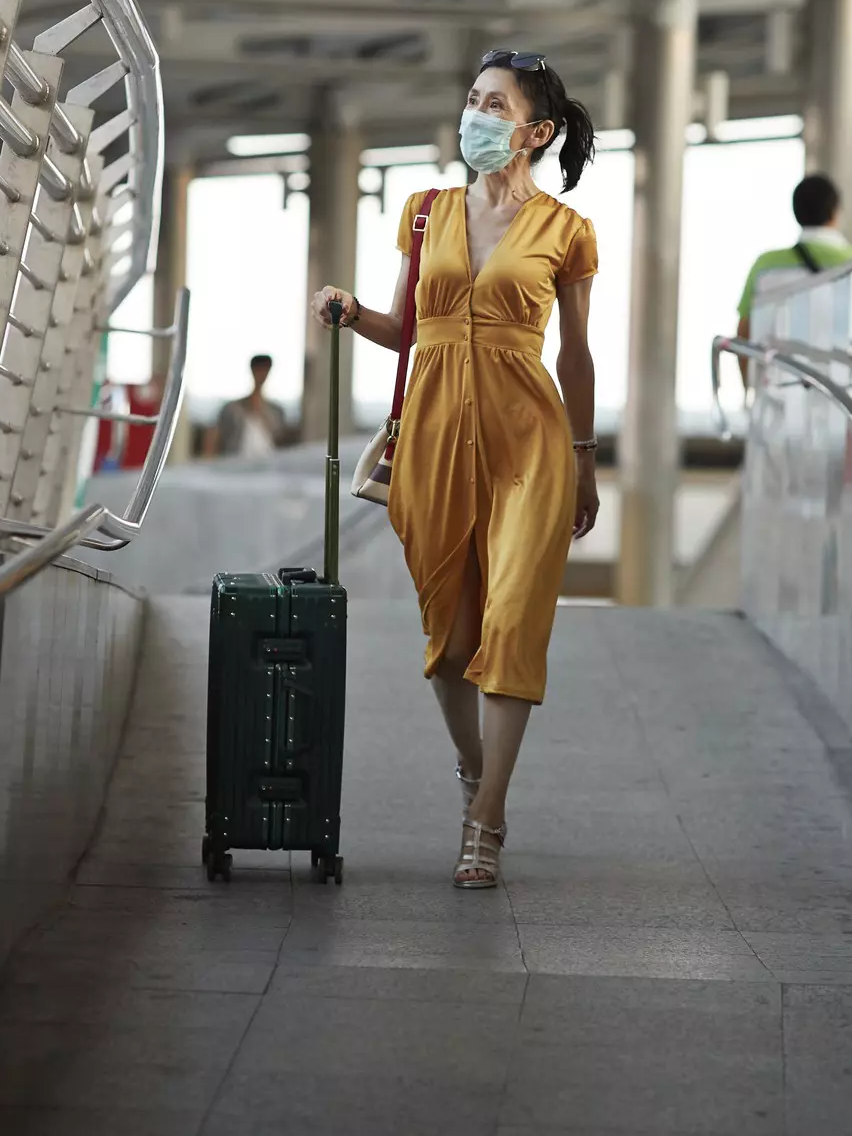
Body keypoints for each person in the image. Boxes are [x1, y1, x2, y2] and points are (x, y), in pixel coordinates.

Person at [311, 49, 600, 889]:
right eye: (472, 99)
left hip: (531, 442)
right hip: (433, 436)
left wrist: (584, 460)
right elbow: (406, 326)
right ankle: (476, 771)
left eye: (494, 104)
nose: (474, 114)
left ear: (535, 131)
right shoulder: (424, 212)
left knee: (511, 624)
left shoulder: (566, 232)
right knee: (449, 641)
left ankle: (487, 818)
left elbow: (576, 358)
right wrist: (349, 309)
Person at [735, 173, 852, 386]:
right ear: (835, 213)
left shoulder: (765, 266)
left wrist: (749, 387)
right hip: (839, 389)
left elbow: (744, 330)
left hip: (777, 388)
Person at [201, 354, 289, 458]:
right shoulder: (232, 409)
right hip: (237, 463)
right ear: (253, 370)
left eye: (264, 370)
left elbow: (280, 439)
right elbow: (214, 433)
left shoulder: (276, 411)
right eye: (259, 370)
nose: (262, 374)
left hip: (267, 465)